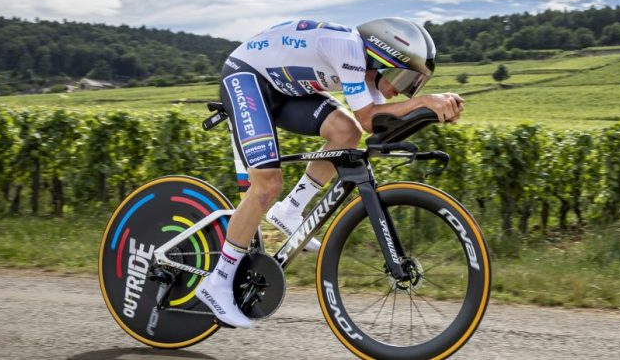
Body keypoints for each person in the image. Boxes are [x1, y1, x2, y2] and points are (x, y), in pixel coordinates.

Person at [195, 18, 464, 328]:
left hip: (283, 89)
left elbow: (377, 128)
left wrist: (430, 113)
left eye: (412, 85)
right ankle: (218, 281)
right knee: (266, 185)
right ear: (381, 58)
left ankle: (291, 209)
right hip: (246, 77)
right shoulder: (349, 50)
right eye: (403, 79)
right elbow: (368, 118)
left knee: (345, 132)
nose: (402, 91)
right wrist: (427, 102)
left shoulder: (366, 71)